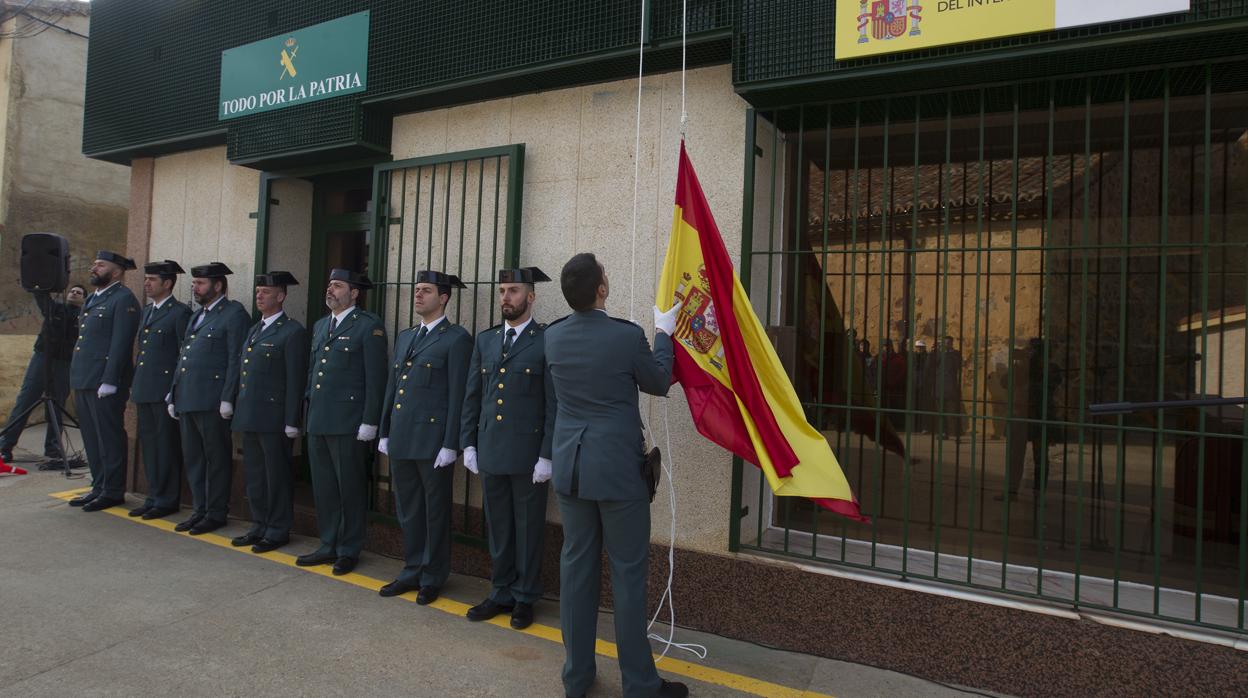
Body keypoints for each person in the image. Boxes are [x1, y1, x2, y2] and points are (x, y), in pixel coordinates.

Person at [544, 252, 686, 698]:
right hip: (618, 472)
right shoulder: (626, 337)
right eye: (606, 275)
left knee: (577, 574)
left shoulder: (553, 337)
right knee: (626, 577)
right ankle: (641, 685)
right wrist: (664, 331)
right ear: (601, 290)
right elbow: (660, 381)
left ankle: (577, 677)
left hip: (572, 469)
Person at [458, 267, 556, 629]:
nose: (505, 298)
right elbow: (473, 396)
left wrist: (547, 454)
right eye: (501, 291)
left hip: (528, 455)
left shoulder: (545, 340)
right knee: (498, 526)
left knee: (529, 528)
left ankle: (525, 595)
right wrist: (467, 442)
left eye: (513, 291)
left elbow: (553, 402)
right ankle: (500, 590)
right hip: (491, 450)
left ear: (530, 297)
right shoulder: (485, 341)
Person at [377, 270, 472, 603]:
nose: (418, 295)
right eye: (416, 290)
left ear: (443, 297)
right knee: (409, 509)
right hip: (403, 436)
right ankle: (412, 568)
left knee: (435, 511)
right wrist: (385, 429)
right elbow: (393, 386)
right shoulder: (406, 337)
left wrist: (451, 443)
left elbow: (458, 394)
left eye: (426, 291)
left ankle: (433, 575)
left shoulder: (456, 338)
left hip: (433, 443)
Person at [298, 268, 388, 576]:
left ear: (354, 293)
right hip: (319, 420)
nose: (330, 290)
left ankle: (349, 549)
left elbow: (376, 379)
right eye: (329, 284)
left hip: (349, 423)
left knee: (349, 488)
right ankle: (328, 543)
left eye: (337, 286)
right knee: (324, 488)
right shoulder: (322, 325)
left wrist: (370, 421)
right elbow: (313, 373)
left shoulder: (368, 327)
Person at [167, 262, 251, 534]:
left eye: (201, 284)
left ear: (218, 285)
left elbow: (235, 359)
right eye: (194, 283)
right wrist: (173, 391)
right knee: (194, 459)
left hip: (212, 401)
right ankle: (200, 509)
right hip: (188, 397)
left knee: (215, 459)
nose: (195, 288)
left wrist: (228, 397)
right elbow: (183, 357)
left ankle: (216, 512)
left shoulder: (233, 314)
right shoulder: (198, 315)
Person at [230, 272, 308, 554]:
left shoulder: (292, 331)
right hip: (251, 414)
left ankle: (277, 529)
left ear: (281, 296)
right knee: (255, 475)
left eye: (266, 291)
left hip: (275, 419)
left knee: (276, 476)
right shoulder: (254, 329)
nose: (259, 296)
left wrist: (291, 420)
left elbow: (294, 379)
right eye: (258, 291)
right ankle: (259, 524)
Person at [69, 251, 141, 511]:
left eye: (101, 265)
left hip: (105, 382)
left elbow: (121, 344)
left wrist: (110, 379)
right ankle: (98, 485)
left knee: (108, 436)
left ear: (118, 271)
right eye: (95, 264)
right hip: (85, 378)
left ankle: (112, 490)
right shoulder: (95, 298)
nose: (94, 268)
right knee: (91, 436)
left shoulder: (123, 299)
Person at [128, 261, 192, 520]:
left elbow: (182, 354)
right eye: (147, 278)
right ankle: (154, 495)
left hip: (163, 390)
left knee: (166, 446)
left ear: (167, 283)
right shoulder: (147, 311)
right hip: (145, 387)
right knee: (150, 446)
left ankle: (167, 499)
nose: (147, 283)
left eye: (152, 279)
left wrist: (173, 390)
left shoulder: (179, 313)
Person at [0, 284, 84, 464]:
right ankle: (5, 446)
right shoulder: (55, 308)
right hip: (42, 359)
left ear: (83, 299)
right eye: (72, 291)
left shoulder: (84, 316)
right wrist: (41, 283)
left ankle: (53, 448)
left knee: (57, 405)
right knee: (25, 401)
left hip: (65, 364)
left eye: (79, 293)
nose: (74, 294)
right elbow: (40, 296)